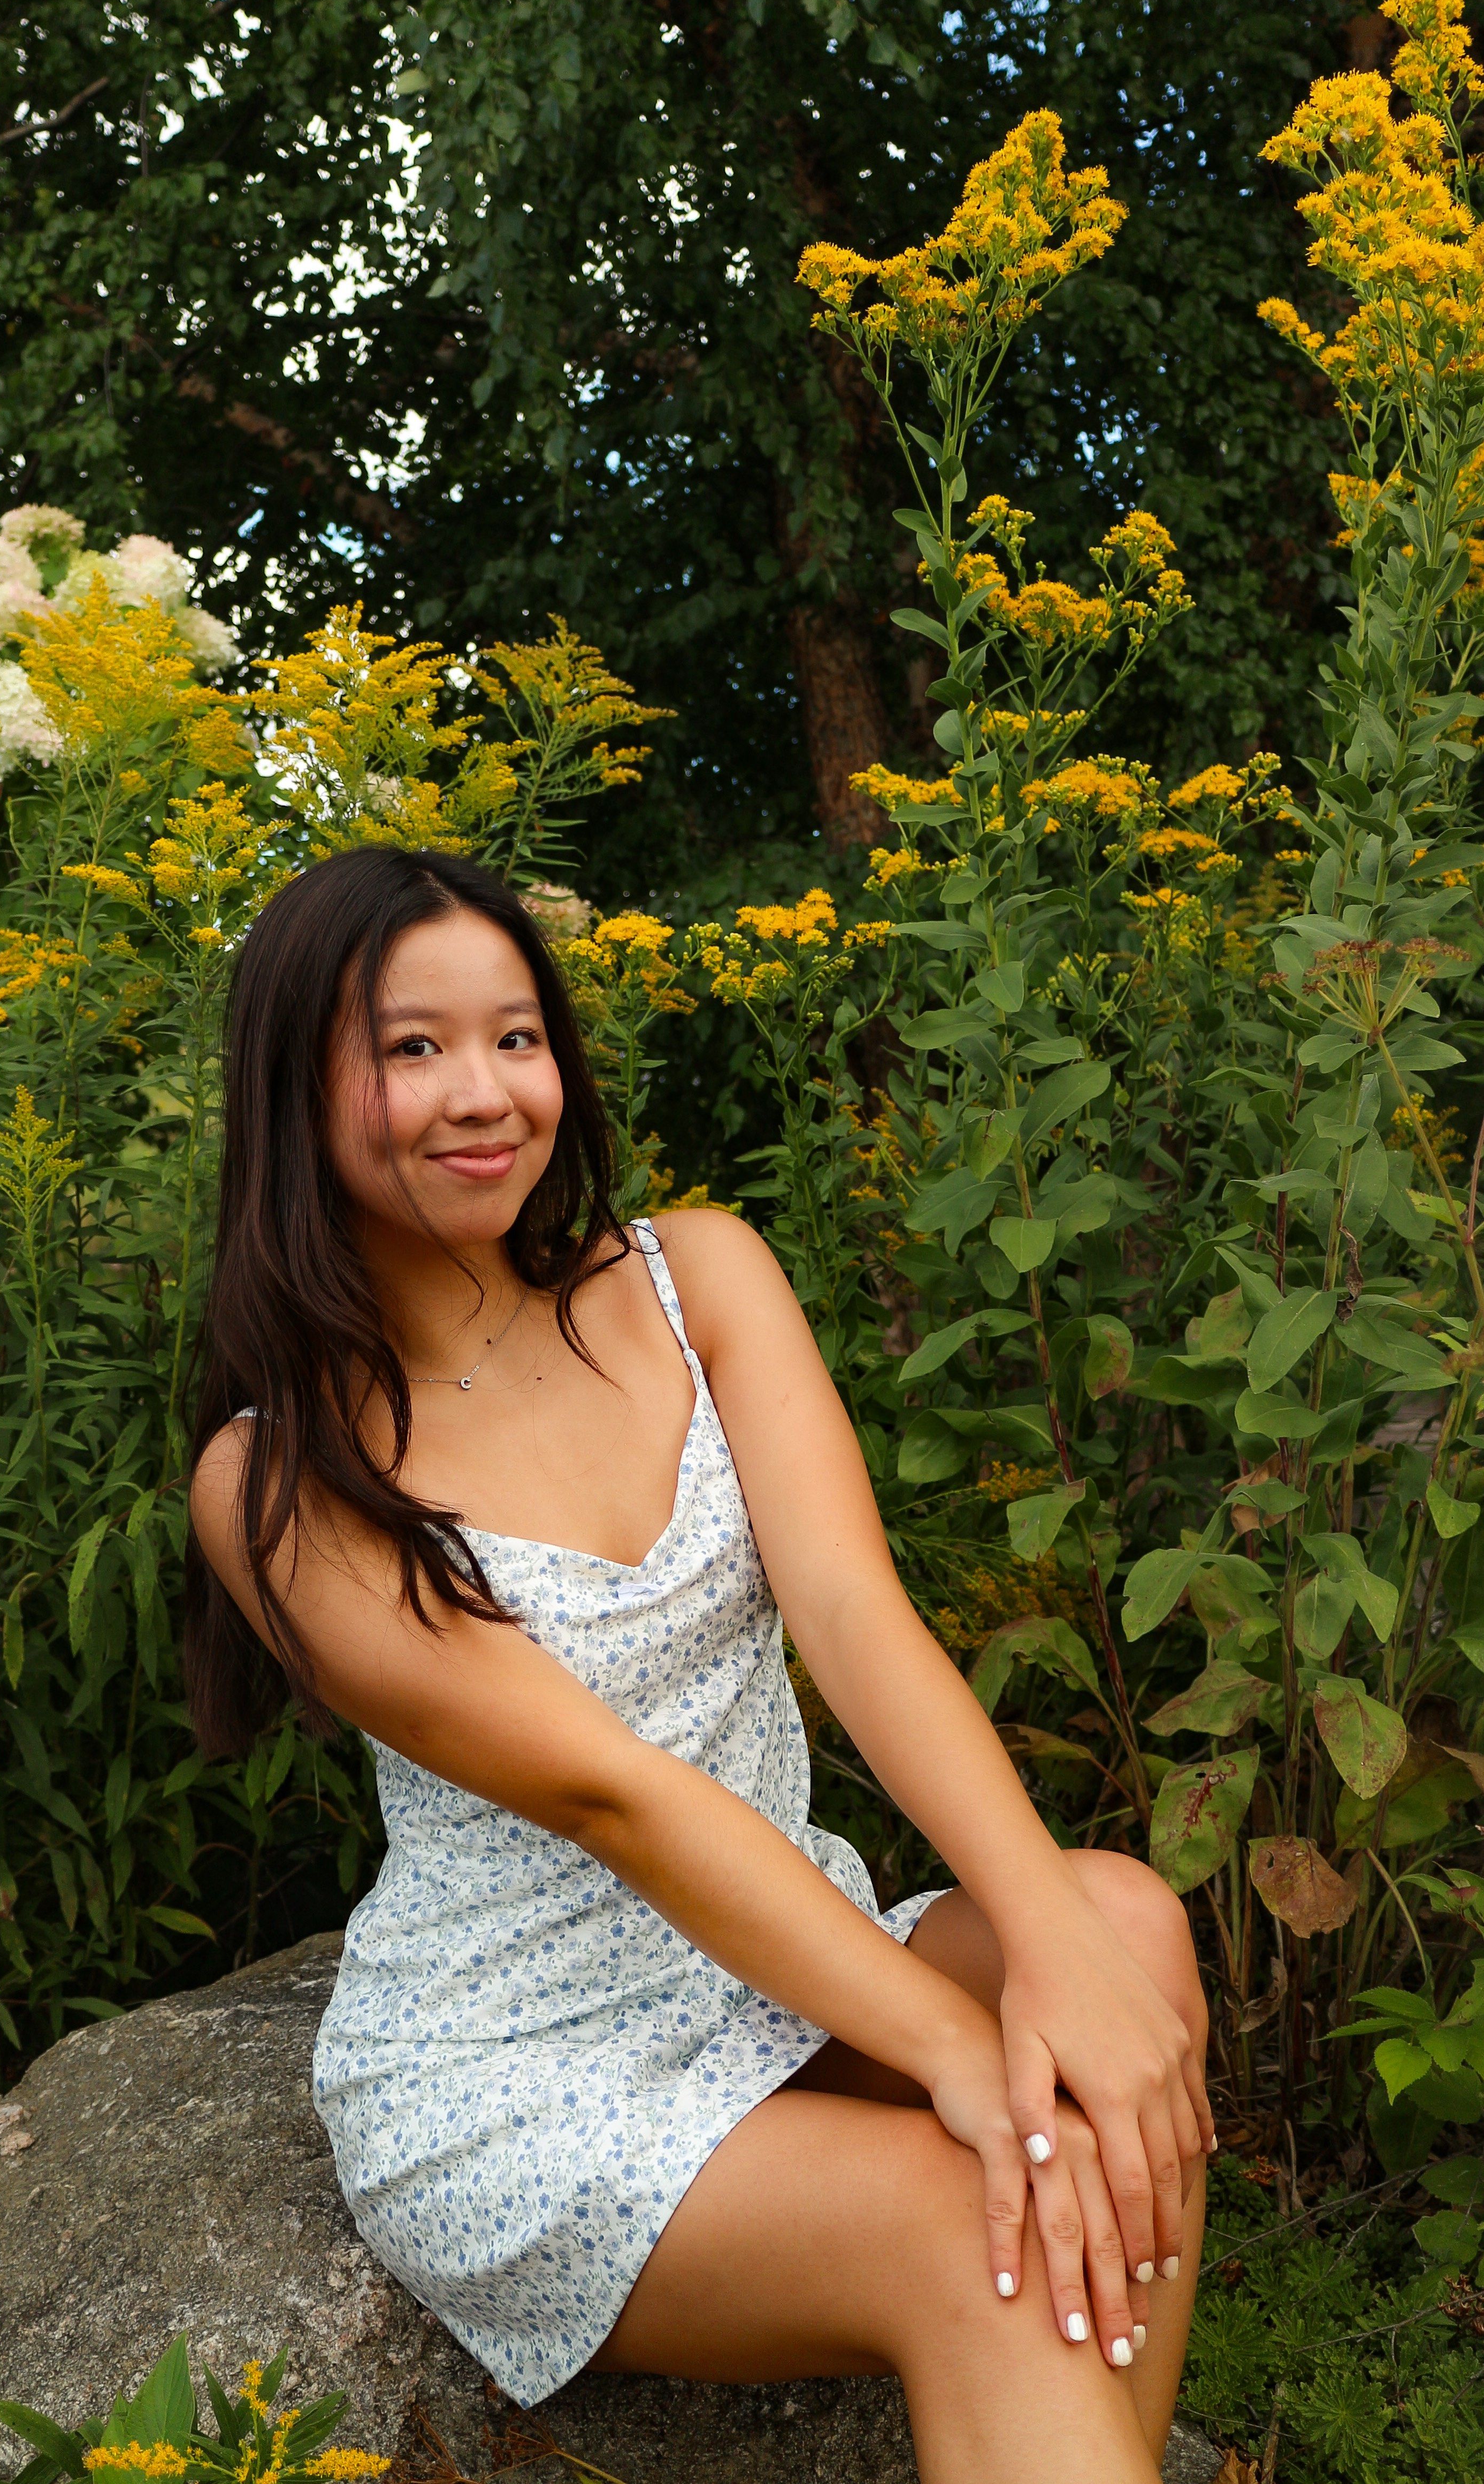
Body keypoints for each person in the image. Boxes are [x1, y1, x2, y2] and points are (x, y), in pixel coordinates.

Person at [187, 846, 1211, 2484]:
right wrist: (957, 2049)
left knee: (1123, 1931)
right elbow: (619, 1797)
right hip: (526, 2067)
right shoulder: (281, 1479)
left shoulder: (695, 1279)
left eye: (518, 1037)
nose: (484, 1092)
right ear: (292, 1089)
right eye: (411, 1047)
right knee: (979, 2221)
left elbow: (856, 1617)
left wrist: (1050, 1943)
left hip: (783, 1964)